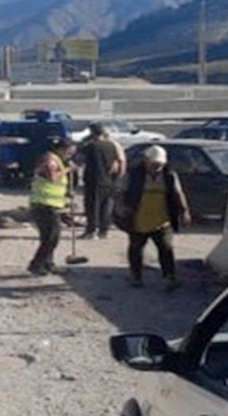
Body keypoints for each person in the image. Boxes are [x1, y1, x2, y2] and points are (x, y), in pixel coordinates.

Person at [122, 144, 191, 290]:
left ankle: (169, 277)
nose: (156, 167)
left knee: (166, 249)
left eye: (160, 164)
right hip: (138, 220)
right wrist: (122, 208)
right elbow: (120, 191)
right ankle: (136, 276)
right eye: (154, 164)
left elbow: (178, 194)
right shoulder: (134, 175)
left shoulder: (169, 176)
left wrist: (184, 211)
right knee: (136, 249)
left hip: (162, 220)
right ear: (146, 161)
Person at [27, 137, 74, 276]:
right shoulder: (50, 160)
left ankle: (48, 263)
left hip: (50, 203)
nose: (69, 156)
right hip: (44, 204)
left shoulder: (55, 160)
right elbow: (52, 178)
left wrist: (67, 195)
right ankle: (36, 264)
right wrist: (68, 169)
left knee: (51, 236)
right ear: (62, 149)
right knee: (51, 237)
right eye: (69, 152)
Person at [78, 123, 125, 239]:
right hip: (108, 180)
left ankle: (91, 231)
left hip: (94, 180)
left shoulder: (92, 146)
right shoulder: (111, 146)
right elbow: (118, 162)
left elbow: (79, 152)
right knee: (105, 207)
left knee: (92, 207)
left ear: (92, 133)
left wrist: (85, 140)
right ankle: (103, 231)